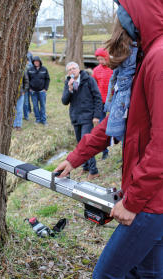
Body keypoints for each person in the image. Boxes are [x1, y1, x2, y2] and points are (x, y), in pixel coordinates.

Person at [54, 0, 163, 278]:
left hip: (151, 202)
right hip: (149, 199)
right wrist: (75, 157)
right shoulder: (144, 59)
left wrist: (132, 202)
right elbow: (115, 121)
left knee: (105, 274)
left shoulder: (158, 58)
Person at [62, 62, 102, 181]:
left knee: (87, 144)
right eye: (69, 70)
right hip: (76, 117)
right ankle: (85, 167)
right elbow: (64, 101)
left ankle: (94, 171)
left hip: (88, 116)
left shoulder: (89, 80)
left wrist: (96, 115)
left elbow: (98, 98)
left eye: (74, 68)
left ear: (78, 69)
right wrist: (69, 88)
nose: (72, 71)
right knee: (80, 144)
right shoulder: (68, 83)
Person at [92, 48, 113, 160]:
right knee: (101, 127)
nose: (100, 61)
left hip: (112, 102)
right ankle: (104, 150)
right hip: (100, 103)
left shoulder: (113, 68)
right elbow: (92, 86)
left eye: (101, 59)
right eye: (98, 59)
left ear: (106, 57)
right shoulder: (96, 70)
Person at [27, 56, 50, 126]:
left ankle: (44, 120)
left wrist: (45, 89)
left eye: (37, 61)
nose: (36, 62)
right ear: (33, 62)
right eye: (35, 61)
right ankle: (37, 119)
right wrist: (29, 89)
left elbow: (47, 79)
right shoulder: (30, 69)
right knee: (35, 106)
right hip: (33, 91)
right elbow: (27, 80)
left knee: (42, 105)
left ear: (39, 61)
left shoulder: (44, 69)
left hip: (41, 91)